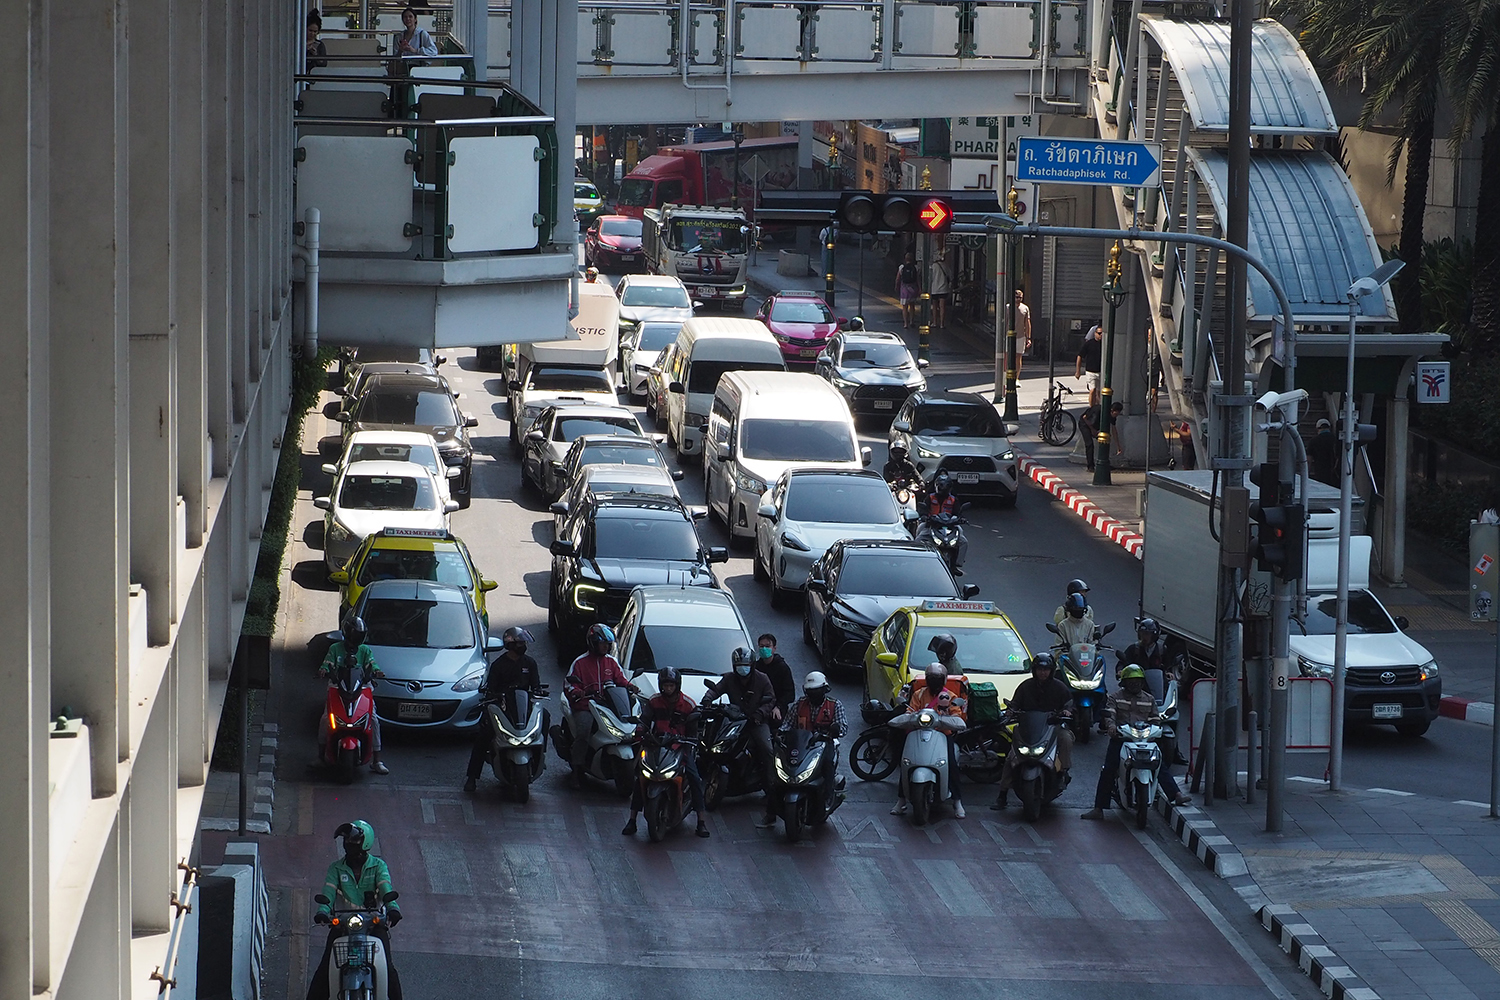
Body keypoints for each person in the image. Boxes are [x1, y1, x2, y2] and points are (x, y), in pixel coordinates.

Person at [308, 821, 403, 1000]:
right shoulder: (336, 868)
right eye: (347, 840)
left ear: (365, 842)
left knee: (388, 968)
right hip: (342, 925)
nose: (349, 844)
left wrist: (393, 908)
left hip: (375, 923)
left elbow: (386, 887)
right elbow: (328, 890)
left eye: (354, 840)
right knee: (324, 967)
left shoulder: (378, 866)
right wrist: (322, 911)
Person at [1082, 665, 1191, 818]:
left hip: (1144, 739)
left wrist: (1156, 730)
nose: (1134, 684)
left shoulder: (1149, 699)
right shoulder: (1115, 697)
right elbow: (1110, 714)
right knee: (1108, 769)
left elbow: (1155, 719)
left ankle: (1176, 794)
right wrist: (1112, 727)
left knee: (1159, 763)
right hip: (1121, 739)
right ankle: (1099, 808)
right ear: (1124, 682)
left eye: (1137, 681)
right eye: (1131, 681)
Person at [623, 667, 710, 839]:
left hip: (680, 747)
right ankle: (632, 819)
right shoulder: (654, 701)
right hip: (656, 745)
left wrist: (691, 740)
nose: (668, 688)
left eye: (671, 685)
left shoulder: (689, 705)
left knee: (694, 777)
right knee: (641, 775)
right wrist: (640, 730)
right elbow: (644, 720)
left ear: (677, 686)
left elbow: (693, 731)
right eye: (665, 685)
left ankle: (701, 821)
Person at [465, 627, 547, 793]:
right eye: (520, 643)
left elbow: (536, 685)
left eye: (524, 643)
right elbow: (490, 688)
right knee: (484, 734)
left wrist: (538, 691)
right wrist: (493, 695)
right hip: (502, 706)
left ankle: (540, 753)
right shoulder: (498, 665)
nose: (523, 646)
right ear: (511, 644)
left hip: (524, 706)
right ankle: (472, 777)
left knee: (545, 716)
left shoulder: (530, 663)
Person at [703, 646, 777, 827]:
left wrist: (760, 713)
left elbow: (771, 699)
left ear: (751, 665)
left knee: (767, 751)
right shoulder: (729, 678)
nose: (742, 669)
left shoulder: (762, 679)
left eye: (745, 665)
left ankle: (771, 789)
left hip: (756, 722)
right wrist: (707, 700)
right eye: (739, 665)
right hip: (735, 720)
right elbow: (715, 690)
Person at [992, 653, 1074, 809]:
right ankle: (1002, 795)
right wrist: (1011, 711)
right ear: (1034, 670)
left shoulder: (1059, 687)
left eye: (1046, 669)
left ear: (1051, 671)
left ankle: (1062, 772)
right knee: (1011, 757)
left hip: (1052, 727)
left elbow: (1069, 704)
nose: (1043, 672)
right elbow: (1015, 703)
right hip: (1028, 729)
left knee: (1066, 738)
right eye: (1040, 669)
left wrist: (1067, 711)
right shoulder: (1025, 686)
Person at [563, 623, 637, 788]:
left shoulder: (612, 662)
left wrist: (630, 687)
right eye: (603, 643)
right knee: (583, 731)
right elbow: (569, 684)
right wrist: (577, 692)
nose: (605, 647)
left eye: (607, 644)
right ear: (593, 643)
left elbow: (621, 680)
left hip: (608, 705)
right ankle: (577, 769)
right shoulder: (579, 663)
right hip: (586, 706)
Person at [890, 663, 967, 818]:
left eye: (937, 678)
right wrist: (908, 718)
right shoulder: (918, 694)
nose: (935, 682)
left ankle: (957, 802)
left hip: (942, 736)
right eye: (932, 678)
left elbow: (956, 715)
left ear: (944, 680)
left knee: (951, 764)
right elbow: (911, 711)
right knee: (906, 762)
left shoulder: (950, 696)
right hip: (919, 734)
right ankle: (901, 800)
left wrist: (948, 717)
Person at [320, 614, 388, 775]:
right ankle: (320, 756)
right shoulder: (335, 648)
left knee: (373, 719)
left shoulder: (365, 650)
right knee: (325, 719)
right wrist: (323, 670)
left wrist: (377, 671)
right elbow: (327, 663)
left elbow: (372, 663)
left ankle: (377, 760)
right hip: (337, 687)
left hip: (361, 688)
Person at [916, 471, 967, 574]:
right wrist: (924, 516)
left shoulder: (953, 500)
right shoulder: (930, 497)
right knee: (919, 537)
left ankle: (956, 564)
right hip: (932, 524)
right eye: (941, 486)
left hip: (949, 526)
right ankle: (918, 561)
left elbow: (958, 513)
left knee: (963, 541)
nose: (943, 489)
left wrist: (961, 519)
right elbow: (923, 509)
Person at [782, 671, 848, 741]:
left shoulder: (835, 705)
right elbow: (788, 723)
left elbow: (843, 727)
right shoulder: (799, 704)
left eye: (816, 691)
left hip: (825, 743)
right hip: (803, 744)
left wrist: (836, 729)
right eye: (810, 691)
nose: (813, 695)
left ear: (824, 690)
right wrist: (780, 732)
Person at [755, 633, 796, 721]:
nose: (764, 649)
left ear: (774, 648)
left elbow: (790, 694)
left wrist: (778, 706)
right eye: (761, 646)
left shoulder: (782, 668)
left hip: (776, 709)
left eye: (767, 646)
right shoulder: (755, 667)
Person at [1075, 324, 1103, 405]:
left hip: (1101, 371)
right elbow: (1080, 356)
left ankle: (1098, 407)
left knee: (1099, 392)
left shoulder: (1105, 344)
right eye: (1099, 333)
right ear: (1095, 333)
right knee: (1092, 390)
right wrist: (1078, 371)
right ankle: (1091, 408)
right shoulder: (1089, 344)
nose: (1101, 335)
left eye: (1102, 333)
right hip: (1091, 371)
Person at [1309, 418, 1338, 486]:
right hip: (1335, 472)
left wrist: (1307, 473)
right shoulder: (1336, 440)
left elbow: (1308, 460)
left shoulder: (1314, 441)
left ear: (1317, 428)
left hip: (1320, 472)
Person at [896, 252, 920, 329]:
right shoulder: (916, 267)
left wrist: (897, 286)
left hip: (904, 289)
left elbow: (898, 278)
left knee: (905, 307)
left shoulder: (901, 267)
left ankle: (905, 323)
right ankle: (912, 321)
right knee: (912, 305)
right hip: (913, 288)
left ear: (905, 259)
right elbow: (918, 279)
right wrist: (919, 288)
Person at [930, 251, 952, 329]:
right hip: (944, 289)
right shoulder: (946, 266)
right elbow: (950, 276)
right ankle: (942, 324)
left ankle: (935, 322)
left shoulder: (933, 266)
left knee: (935, 306)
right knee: (942, 306)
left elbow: (930, 278)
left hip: (934, 289)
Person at [1011, 290, 1032, 370]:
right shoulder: (1008, 307)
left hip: (1020, 335)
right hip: (1008, 335)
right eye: (1017, 297)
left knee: (1018, 356)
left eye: (1020, 297)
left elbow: (1027, 323)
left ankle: (1016, 377)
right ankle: (1006, 376)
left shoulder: (1025, 308)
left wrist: (1028, 338)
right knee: (1008, 356)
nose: (1018, 299)